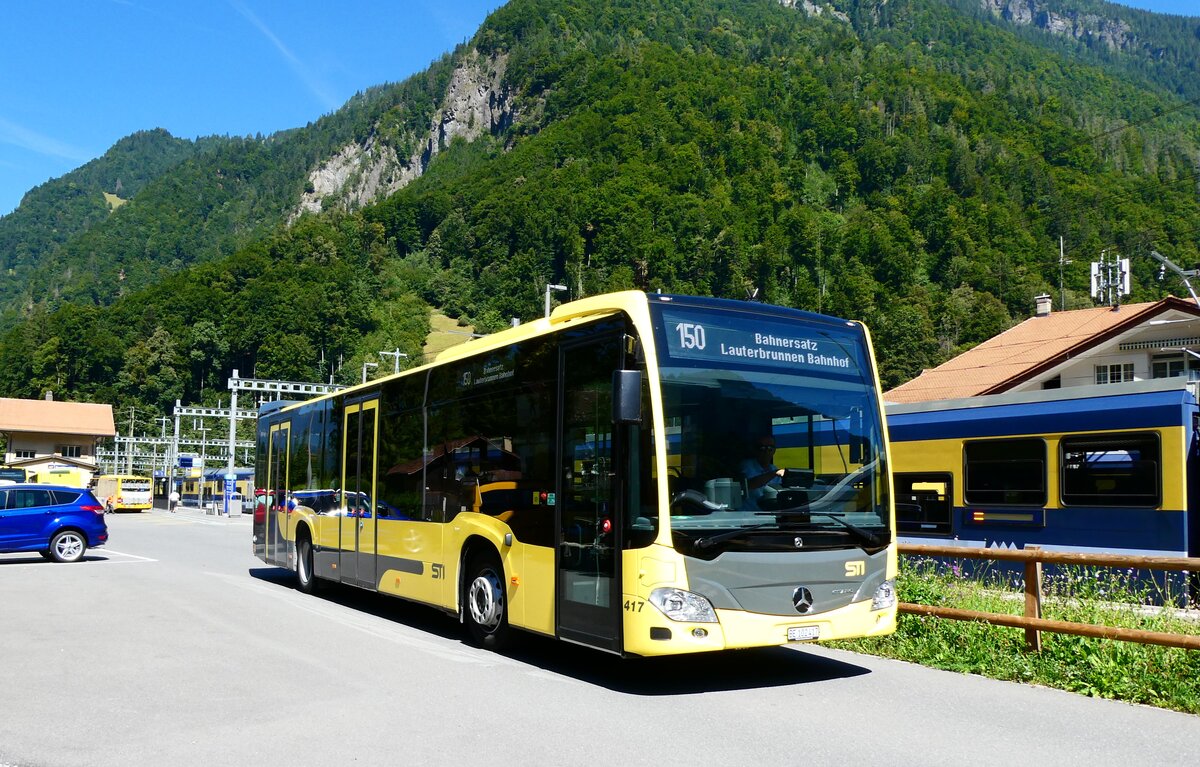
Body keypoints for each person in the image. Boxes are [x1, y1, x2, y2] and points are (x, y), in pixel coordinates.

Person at [740, 435, 785, 509]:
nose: (766, 451)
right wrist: (774, 473)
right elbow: (749, 485)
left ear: (774, 450)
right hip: (748, 513)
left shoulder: (774, 468)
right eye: (762, 448)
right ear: (755, 450)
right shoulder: (747, 465)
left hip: (768, 512)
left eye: (770, 448)